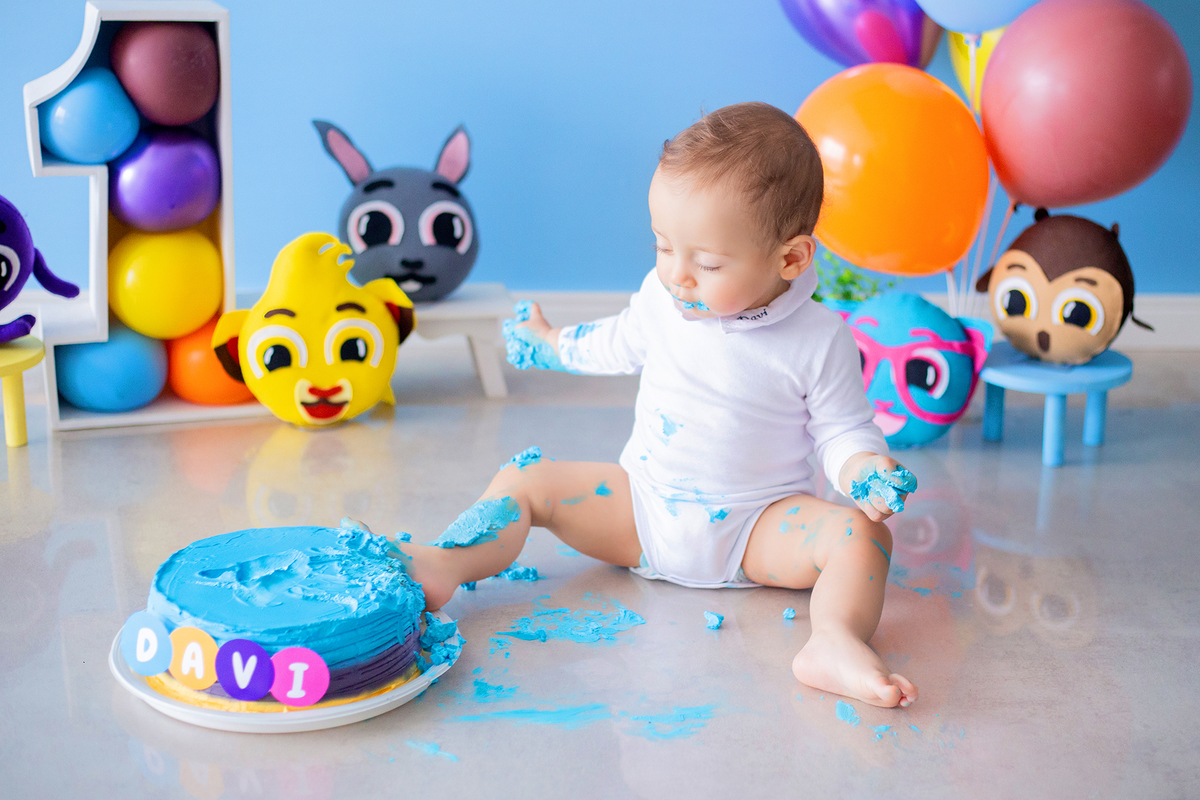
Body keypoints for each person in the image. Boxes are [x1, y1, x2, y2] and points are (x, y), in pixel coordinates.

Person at [400, 102, 917, 708]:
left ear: (791, 259)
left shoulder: (818, 338)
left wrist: (864, 472)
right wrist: (552, 344)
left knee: (863, 536)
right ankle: (448, 563)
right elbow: (616, 343)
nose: (678, 274)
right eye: (663, 246)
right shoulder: (661, 297)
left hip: (757, 530)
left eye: (708, 261)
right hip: (641, 513)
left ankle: (833, 639)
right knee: (524, 481)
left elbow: (842, 430)